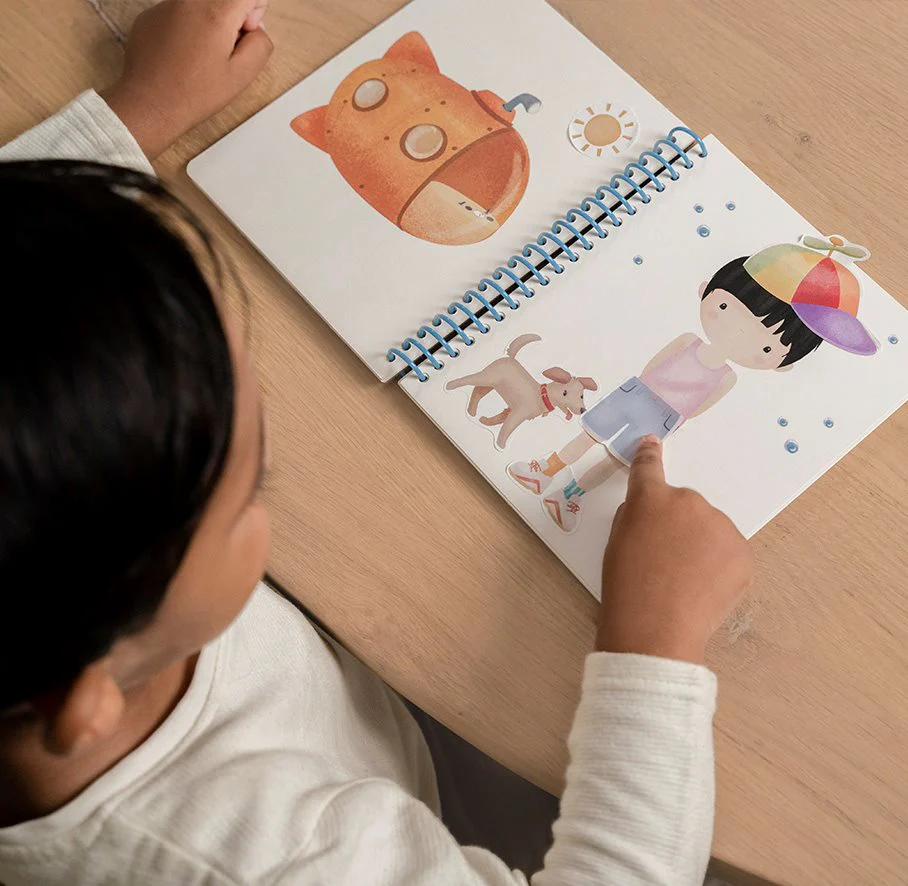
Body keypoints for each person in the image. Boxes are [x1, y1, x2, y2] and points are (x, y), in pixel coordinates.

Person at [0, 2, 753, 884]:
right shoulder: (263, 861)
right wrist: (655, 643)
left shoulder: (51, 618)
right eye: (247, 493)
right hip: (451, 795)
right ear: (84, 700)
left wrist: (137, 113)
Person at [509, 247, 872, 532]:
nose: (740, 332)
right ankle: (546, 469)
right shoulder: (688, 341)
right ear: (706, 291)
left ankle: (569, 496)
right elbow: (654, 368)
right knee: (590, 434)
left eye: (767, 348)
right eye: (726, 306)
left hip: (662, 416)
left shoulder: (727, 378)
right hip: (639, 394)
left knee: (615, 459)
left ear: (782, 363)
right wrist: (649, 393)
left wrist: (667, 413)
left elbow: (697, 406)